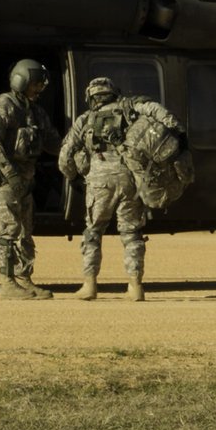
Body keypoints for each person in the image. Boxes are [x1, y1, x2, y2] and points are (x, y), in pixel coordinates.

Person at [60, 76, 181, 301]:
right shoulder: (130, 109)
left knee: (93, 231)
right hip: (130, 179)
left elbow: (65, 156)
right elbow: (155, 110)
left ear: (91, 97)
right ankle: (135, 286)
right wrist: (175, 126)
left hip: (99, 182)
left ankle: (90, 285)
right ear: (113, 93)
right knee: (131, 232)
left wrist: (74, 178)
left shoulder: (85, 119)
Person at [0, 59, 61, 300]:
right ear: (22, 81)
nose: (39, 89)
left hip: (25, 181)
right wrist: (11, 174)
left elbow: (52, 141)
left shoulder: (36, 111)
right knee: (9, 229)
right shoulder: (2, 107)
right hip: (5, 180)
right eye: (35, 84)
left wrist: (75, 152)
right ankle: (7, 283)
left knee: (25, 230)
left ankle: (24, 280)